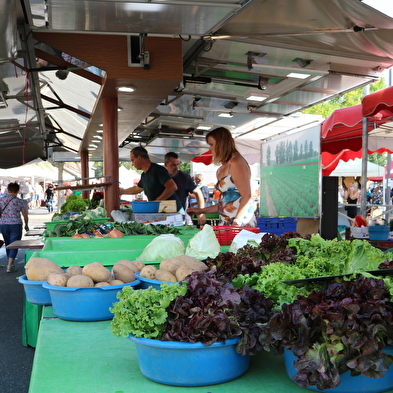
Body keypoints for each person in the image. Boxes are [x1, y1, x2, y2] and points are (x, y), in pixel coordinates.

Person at [187, 127, 257, 227]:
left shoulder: (236, 162)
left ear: (221, 143)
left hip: (240, 222)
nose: (210, 149)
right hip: (226, 222)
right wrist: (200, 210)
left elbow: (247, 196)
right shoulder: (221, 169)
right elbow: (223, 204)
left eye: (211, 144)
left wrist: (237, 222)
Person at [121, 146, 182, 211]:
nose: (132, 164)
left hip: (173, 210)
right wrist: (120, 191)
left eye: (132, 160)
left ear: (139, 158)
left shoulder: (157, 170)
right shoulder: (144, 175)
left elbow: (172, 187)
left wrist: (156, 202)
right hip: (162, 210)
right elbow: (138, 189)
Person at [164, 152, 206, 225]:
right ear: (166, 164)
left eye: (178, 164)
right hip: (163, 217)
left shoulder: (184, 177)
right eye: (173, 165)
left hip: (182, 219)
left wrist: (201, 212)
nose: (176, 167)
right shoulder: (160, 176)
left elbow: (198, 192)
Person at [0, 182, 29, 272]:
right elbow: (25, 214)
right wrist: (26, 225)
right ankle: (9, 265)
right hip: (16, 224)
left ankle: (11, 263)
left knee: (8, 244)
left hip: (3, 224)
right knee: (14, 244)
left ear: (8, 190)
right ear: (18, 190)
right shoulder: (19, 201)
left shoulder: (1, 200)